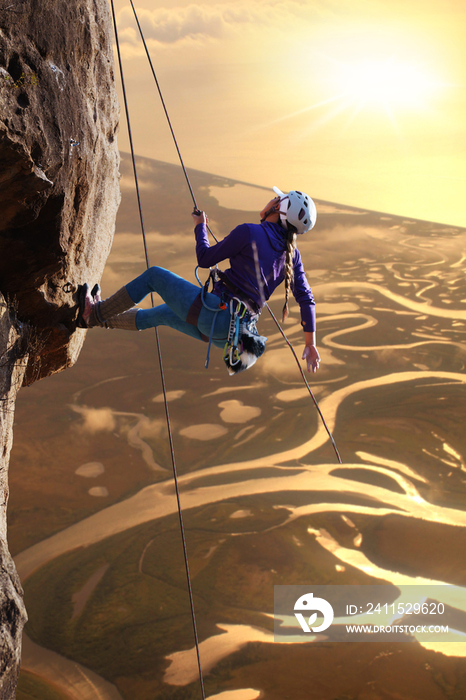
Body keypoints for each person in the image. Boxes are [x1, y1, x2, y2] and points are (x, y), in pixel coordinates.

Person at [78, 186, 321, 374]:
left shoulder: (250, 231)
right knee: (161, 314)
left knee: (154, 276)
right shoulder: (292, 256)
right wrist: (310, 344)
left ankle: (94, 312)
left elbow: (204, 259)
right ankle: (102, 318)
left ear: (278, 208)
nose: (271, 200)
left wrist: (200, 227)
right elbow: (307, 300)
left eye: (276, 199)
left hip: (215, 313)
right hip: (229, 335)